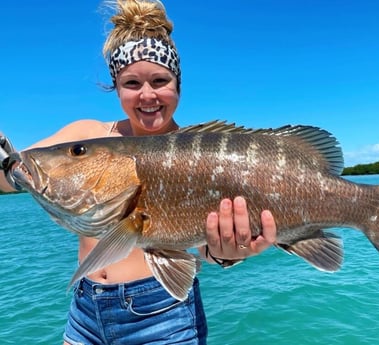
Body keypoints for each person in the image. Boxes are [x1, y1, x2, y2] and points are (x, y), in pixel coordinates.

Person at [0, 1, 277, 344]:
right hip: (85, 313)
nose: (147, 95)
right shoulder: (87, 134)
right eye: (132, 83)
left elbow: (203, 249)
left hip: (163, 315)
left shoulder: (201, 153)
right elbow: (16, 171)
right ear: (116, 87)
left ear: (178, 85)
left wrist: (227, 254)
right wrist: (11, 167)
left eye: (160, 80)